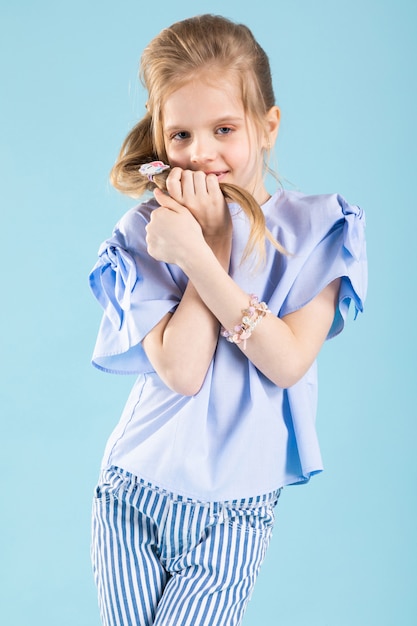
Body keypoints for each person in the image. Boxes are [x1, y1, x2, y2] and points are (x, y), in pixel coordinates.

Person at [89, 13, 367, 626]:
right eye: (181, 134)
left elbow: (288, 360)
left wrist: (201, 252)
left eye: (223, 128)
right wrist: (202, 240)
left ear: (268, 126)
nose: (202, 153)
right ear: (160, 137)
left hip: (233, 511)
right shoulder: (147, 230)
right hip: (133, 491)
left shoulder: (319, 231)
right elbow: (183, 371)